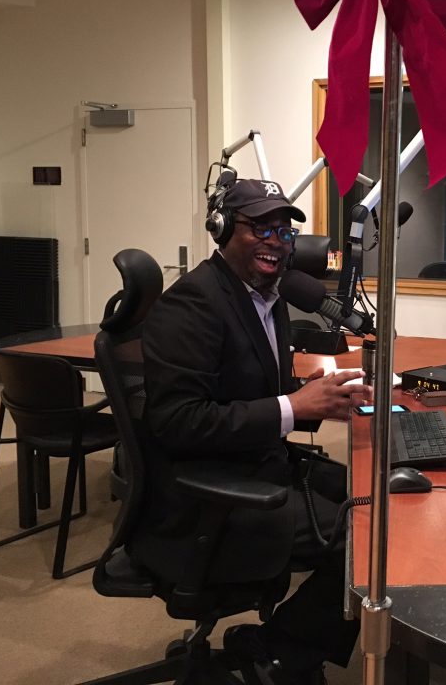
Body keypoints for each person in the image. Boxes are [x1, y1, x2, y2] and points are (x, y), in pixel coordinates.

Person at [140, 178, 370, 685]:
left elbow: (249, 390)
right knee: (370, 542)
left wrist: (316, 397)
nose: (276, 241)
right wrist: (292, 405)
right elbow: (179, 422)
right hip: (206, 497)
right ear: (223, 230)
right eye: (260, 227)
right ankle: (279, 653)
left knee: (375, 498)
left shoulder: (267, 296)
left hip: (256, 464)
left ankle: (283, 642)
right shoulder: (193, 304)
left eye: (284, 232)